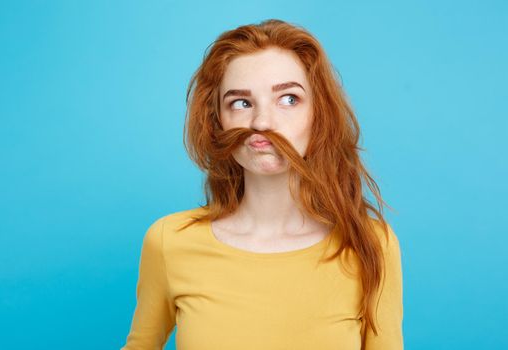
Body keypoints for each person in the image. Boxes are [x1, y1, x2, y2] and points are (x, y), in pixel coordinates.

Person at [121, 19, 403, 350]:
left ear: (319, 114)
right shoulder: (169, 242)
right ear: (218, 122)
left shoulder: (370, 245)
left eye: (288, 99)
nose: (262, 122)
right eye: (241, 103)